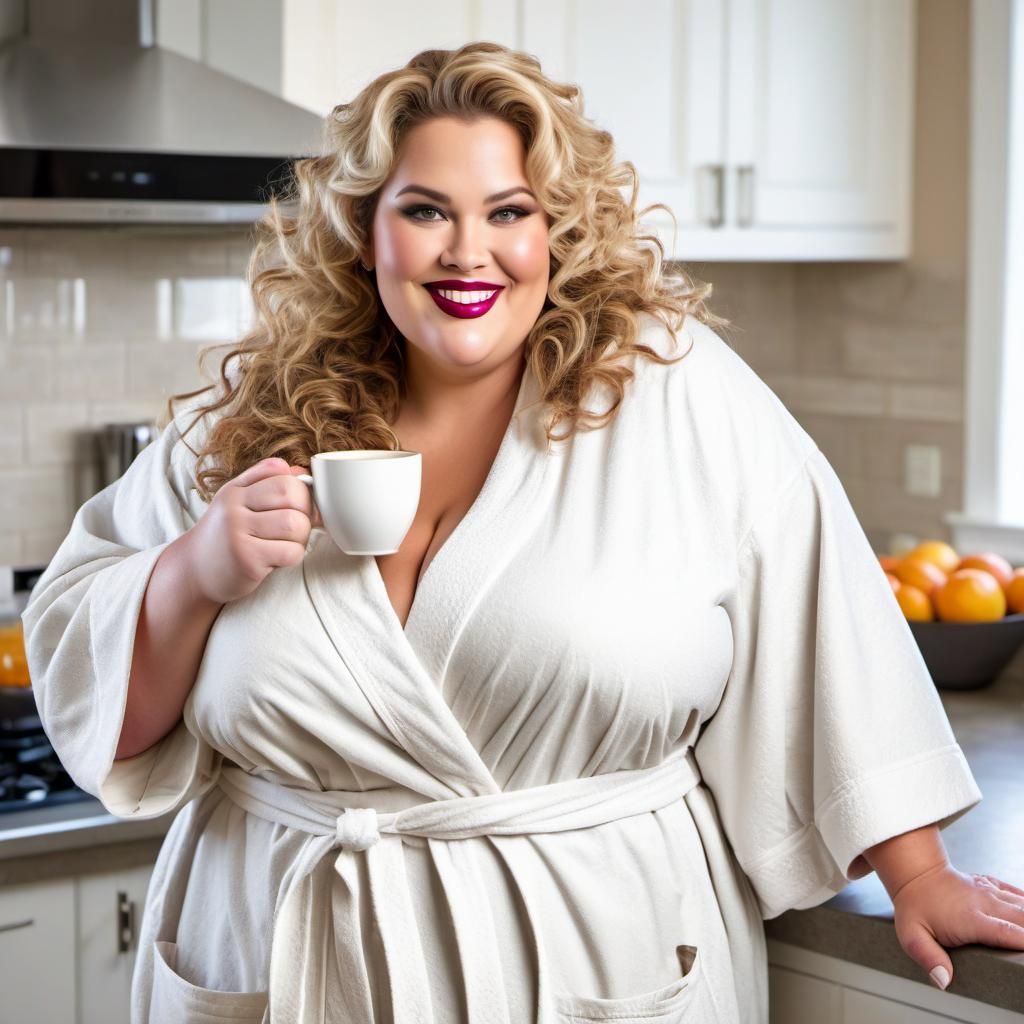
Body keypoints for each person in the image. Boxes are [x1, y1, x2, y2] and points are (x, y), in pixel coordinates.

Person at [21, 41, 1024, 1024]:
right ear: (366, 229)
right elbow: (103, 707)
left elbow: (825, 626)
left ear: (558, 230)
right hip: (277, 956)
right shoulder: (248, 418)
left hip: (584, 955)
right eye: (424, 211)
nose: (467, 251)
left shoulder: (673, 397)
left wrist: (919, 874)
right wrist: (196, 568)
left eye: (508, 211)